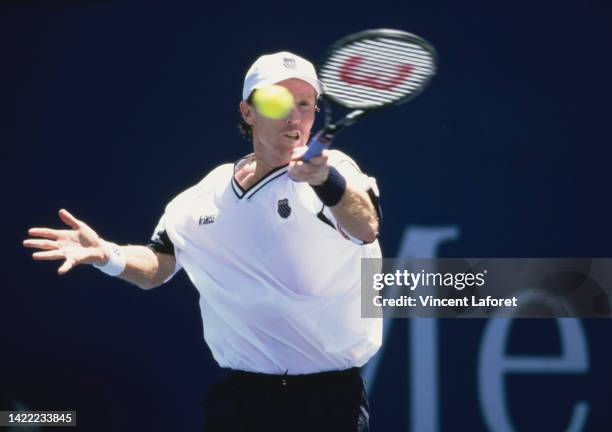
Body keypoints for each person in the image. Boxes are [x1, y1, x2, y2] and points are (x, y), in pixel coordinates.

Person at [23, 51, 383, 431]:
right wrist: (106, 254)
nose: (293, 115)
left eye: (306, 104)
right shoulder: (201, 198)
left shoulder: (336, 171)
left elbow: (366, 227)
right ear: (248, 112)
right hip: (240, 403)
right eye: (277, 101)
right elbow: (156, 267)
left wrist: (324, 179)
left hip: (327, 406)